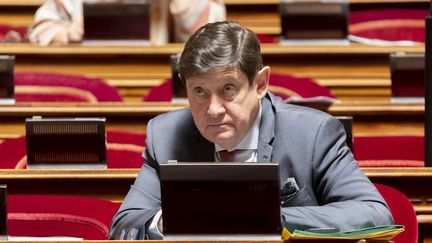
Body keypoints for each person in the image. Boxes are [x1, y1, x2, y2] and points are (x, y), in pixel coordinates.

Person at [109, 21, 394, 240]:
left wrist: (268, 217)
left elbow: (373, 212)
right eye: (199, 91)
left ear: (260, 84)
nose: (213, 109)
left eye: (228, 89)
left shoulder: (313, 133)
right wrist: (166, 220)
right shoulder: (165, 134)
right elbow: (126, 222)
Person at [28, 0, 225, 45]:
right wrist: (67, 33)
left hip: (156, 74)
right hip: (95, 71)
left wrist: (184, 8)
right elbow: (41, 29)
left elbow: (215, 39)